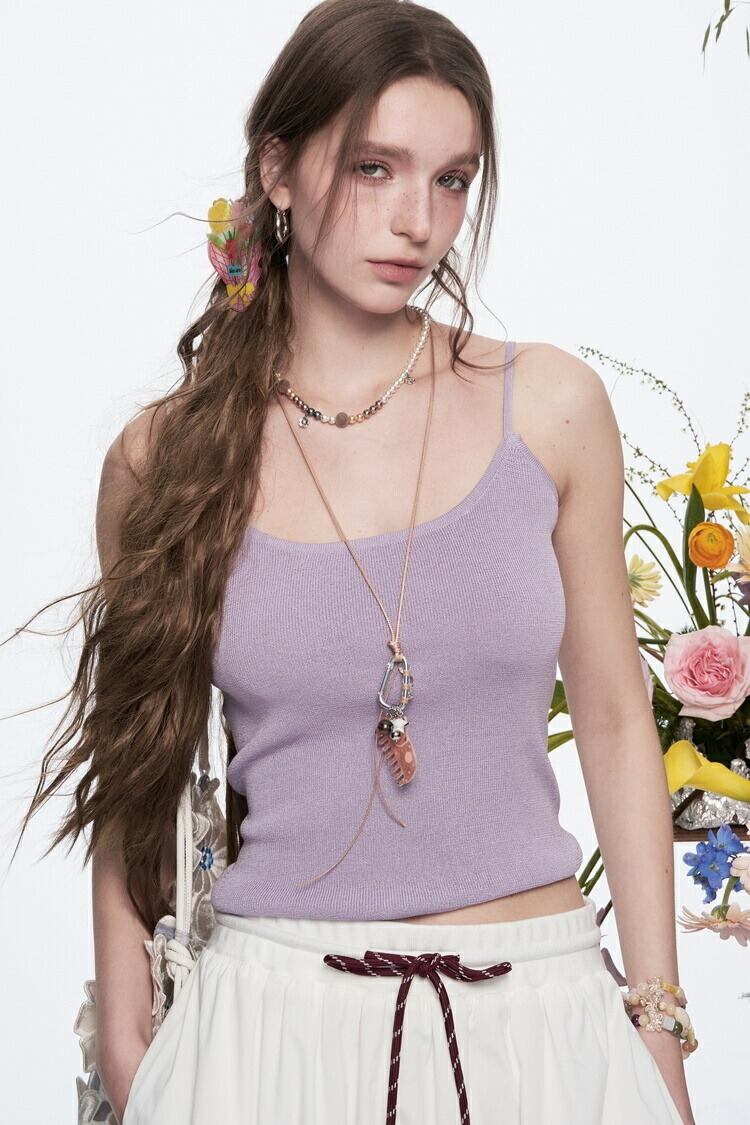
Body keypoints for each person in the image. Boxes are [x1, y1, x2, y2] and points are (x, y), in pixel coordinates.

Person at [14, 1, 696, 1122]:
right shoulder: (164, 460)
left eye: (452, 180)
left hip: (542, 1020)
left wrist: (658, 1021)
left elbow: (617, 722)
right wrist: (129, 1030)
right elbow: (139, 770)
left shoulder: (550, 407)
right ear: (277, 169)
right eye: (375, 167)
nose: (418, 221)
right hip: (267, 1030)